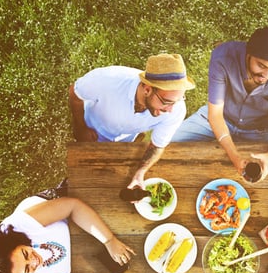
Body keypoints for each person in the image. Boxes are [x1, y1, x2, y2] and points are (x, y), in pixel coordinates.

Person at [171, 26, 268, 181]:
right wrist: (234, 156)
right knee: (168, 143)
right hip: (220, 117)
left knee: (263, 178)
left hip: (257, 131)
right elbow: (215, 115)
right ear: (248, 54)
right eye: (261, 66)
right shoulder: (223, 57)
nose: (266, 75)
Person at [0, 194, 145, 273]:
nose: (34, 260)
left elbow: (73, 206)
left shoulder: (19, 226)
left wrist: (109, 240)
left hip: (64, 206)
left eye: (25, 253)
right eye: (28, 269)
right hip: (81, 254)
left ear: (13, 243)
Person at [69, 53, 195, 189]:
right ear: (147, 89)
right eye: (166, 102)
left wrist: (140, 173)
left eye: (178, 100)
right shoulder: (106, 79)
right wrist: (80, 127)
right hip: (91, 131)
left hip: (126, 140)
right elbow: (75, 94)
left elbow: (157, 145)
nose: (170, 110)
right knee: (82, 176)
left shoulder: (176, 109)